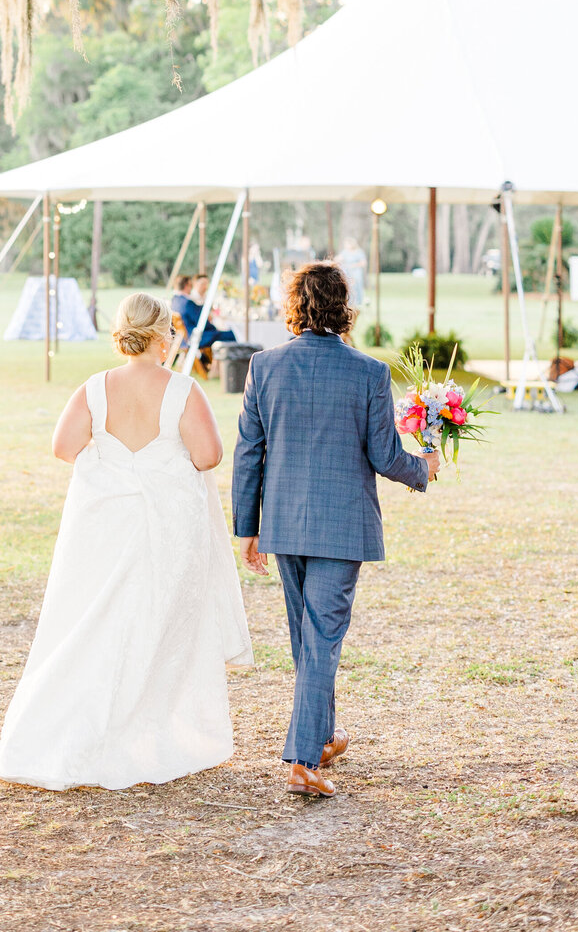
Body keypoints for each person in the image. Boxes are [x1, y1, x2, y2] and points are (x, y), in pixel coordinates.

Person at [0, 291, 253, 790]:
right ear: (161, 336)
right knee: (157, 621)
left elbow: (64, 447)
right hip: (165, 529)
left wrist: (112, 461)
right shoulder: (182, 390)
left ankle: (83, 725)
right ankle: (146, 731)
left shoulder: (94, 388)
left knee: (94, 619)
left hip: (105, 526)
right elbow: (209, 456)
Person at [232, 260, 438, 798]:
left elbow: (249, 453)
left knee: (309, 638)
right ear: (344, 306)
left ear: (294, 304)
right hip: (341, 525)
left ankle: (321, 738)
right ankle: (303, 758)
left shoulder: (264, 366)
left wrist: (246, 527)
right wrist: (425, 468)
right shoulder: (369, 372)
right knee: (321, 638)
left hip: (282, 522)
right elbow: (385, 455)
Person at [334, 233, 368, 308]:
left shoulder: (359, 252)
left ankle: (358, 302)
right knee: (349, 286)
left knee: (356, 286)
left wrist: (354, 265)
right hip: (347, 272)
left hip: (356, 272)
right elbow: (337, 259)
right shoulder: (345, 252)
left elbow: (363, 263)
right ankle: (350, 302)